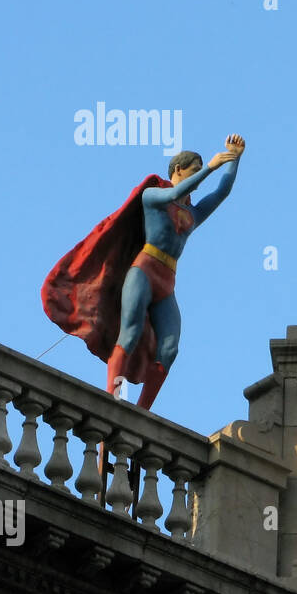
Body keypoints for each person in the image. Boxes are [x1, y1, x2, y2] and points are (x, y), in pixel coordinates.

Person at [42, 135, 245, 410]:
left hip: (167, 283)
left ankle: (142, 412)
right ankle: (112, 398)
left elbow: (221, 193)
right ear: (178, 171)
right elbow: (174, 193)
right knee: (130, 332)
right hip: (144, 272)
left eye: (200, 170)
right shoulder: (154, 196)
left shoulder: (192, 214)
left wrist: (235, 159)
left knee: (170, 349)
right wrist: (210, 167)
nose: (197, 175)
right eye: (194, 170)